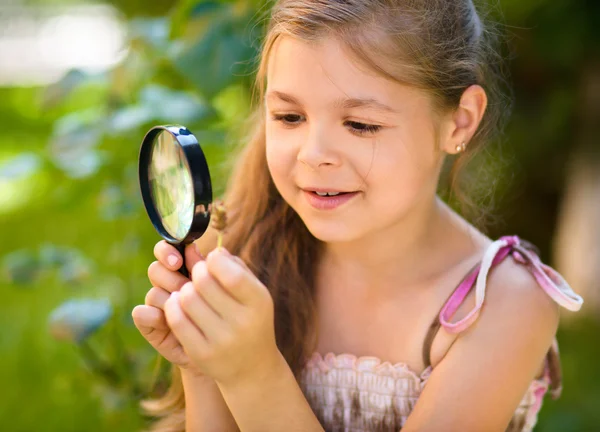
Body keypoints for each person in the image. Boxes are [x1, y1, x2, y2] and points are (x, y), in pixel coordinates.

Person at [131, 0, 584, 431]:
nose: (314, 155)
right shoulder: (247, 253)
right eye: (289, 117)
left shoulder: (503, 303)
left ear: (459, 121)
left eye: (361, 124)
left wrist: (252, 374)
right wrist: (205, 368)